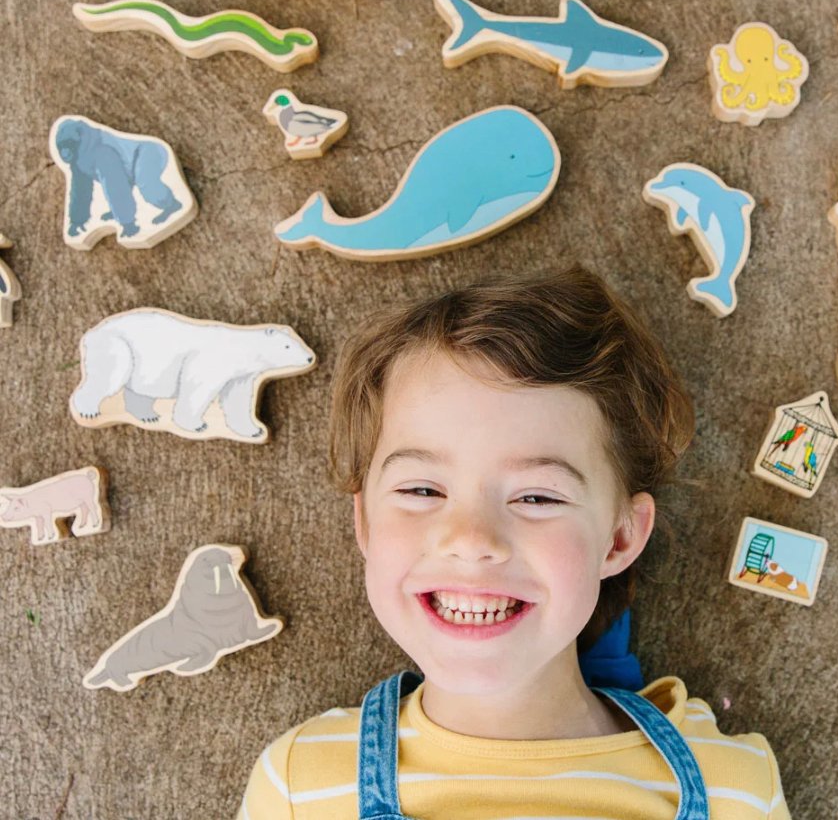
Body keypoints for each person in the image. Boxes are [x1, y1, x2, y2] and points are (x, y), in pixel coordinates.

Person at [238, 265, 790, 819]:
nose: (471, 540)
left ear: (620, 538)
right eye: (422, 489)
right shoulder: (297, 784)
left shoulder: (736, 788)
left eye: (537, 498)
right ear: (365, 525)